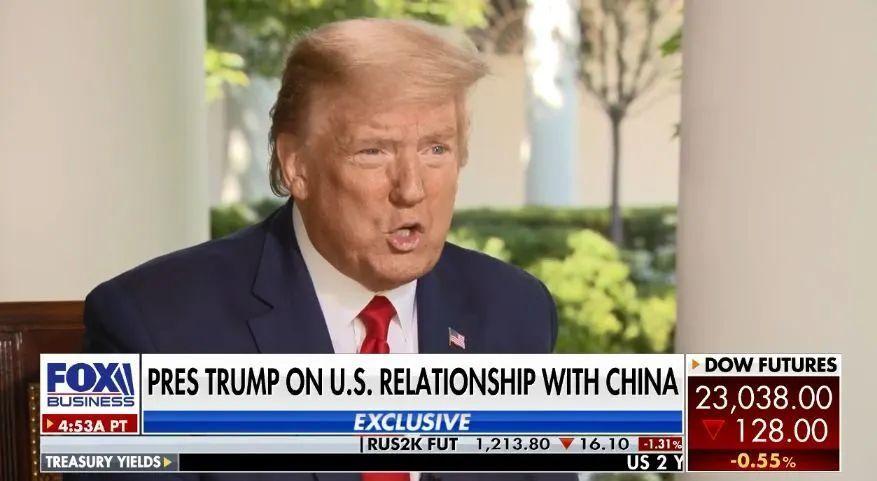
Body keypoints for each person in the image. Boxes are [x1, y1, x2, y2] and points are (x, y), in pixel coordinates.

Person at [77, 18, 571, 481]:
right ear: (296, 166)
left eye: (436, 149)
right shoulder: (142, 323)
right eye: (373, 151)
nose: (411, 188)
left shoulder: (518, 312)